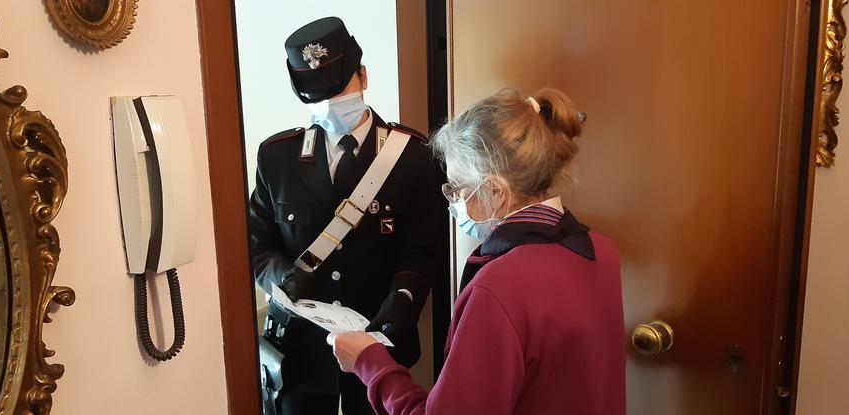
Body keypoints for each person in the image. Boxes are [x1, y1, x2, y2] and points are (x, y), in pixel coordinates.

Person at [329, 88, 626, 414]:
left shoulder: (498, 286)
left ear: (496, 191)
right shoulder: (601, 250)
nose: (453, 202)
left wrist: (369, 363)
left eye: (456, 188)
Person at [249, 17, 447, 415]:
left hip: (378, 345)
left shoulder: (411, 156)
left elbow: (425, 249)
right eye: (317, 94)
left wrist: (404, 299)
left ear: (364, 74)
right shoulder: (277, 157)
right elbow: (257, 243)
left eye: (339, 88)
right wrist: (283, 278)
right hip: (301, 353)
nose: (330, 102)